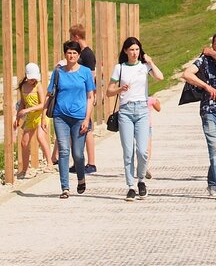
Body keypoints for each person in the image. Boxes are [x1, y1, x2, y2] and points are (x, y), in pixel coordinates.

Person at [180, 32, 216, 200]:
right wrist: (205, 86)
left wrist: (210, 52)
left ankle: (212, 181)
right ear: (213, 44)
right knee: (215, 150)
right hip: (209, 111)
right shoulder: (204, 61)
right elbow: (186, 74)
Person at [109, 36, 164, 201]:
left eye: (137, 50)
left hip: (142, 110)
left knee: (142, 150)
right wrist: (119, 89)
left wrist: (150, 62)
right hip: (125, 111)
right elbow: (109, 91)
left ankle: (141, 179)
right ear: (125, 51)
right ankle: (131, 186)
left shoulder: (144, 66)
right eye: (131, 49)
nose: (134, 53)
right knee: (128, 151)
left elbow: (160, 77)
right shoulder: (119, 68)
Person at [48, 40, 95, 199]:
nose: (71, 55)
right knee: (63, 150)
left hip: (79, 117)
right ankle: (65, 187)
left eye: (74, 53)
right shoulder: (58, 72)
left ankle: (81, 178)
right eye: (69, 53)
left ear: (78, 55)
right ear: (65, 54)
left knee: (78, 154)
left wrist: (87, 119)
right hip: (60, 115)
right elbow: (50, 93)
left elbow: (90, 97)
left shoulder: (86, 72)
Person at [69, 24, 98, 174]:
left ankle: (91, 163)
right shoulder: (84, 53)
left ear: (76, 37)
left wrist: (91, 96)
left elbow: (91, 77)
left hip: (86, 96)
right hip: (79, 96)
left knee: (87, 129)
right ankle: (78, 161)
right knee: (78, 129)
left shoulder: (87, 54)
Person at [15, 64, 50, 179]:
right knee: (24, 143)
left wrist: (28, 110)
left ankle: (49, 163)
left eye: (34, 78)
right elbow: (22, 103)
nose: (33, 80)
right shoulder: (23, 86)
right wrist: (17, 117)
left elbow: (43, 104)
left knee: (40, 137)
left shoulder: (38, 86)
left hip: (40, 115)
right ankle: (25, 169)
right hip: (30, 117)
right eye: (31, 78)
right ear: (26, 76)